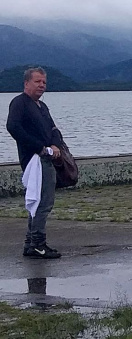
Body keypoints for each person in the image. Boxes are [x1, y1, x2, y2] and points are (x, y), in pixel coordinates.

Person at [7, 67, 62, 259]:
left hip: (47, 158)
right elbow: (13, 127)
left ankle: (31, 244)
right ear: (26, 83)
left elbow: (54, 129)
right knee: (42, 203)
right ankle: (38, 243)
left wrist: (55, 144)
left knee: (39, 201)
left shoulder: (42, 106)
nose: (42, 86)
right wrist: (39, 147)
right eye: (38, 81)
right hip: (34, 161)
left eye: (44, 82)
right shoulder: (19, 103)